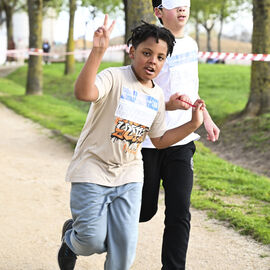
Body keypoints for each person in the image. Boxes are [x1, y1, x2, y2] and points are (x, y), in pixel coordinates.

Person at [57, 14, 206, 270]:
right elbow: (83, 93)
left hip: (129, 175)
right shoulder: (114, 77)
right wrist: (97, 52)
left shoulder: (157, 95)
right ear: (132, 52)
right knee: (93, 240)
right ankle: (72, 240)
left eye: (160, 57)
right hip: (93, 169)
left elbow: (159, 140)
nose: (153, 61)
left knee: (123, 250)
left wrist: (192, 124)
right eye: (147, 53)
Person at [139, 0, 220, 269]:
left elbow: (192, 88)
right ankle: (81, 232)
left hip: (182, 140)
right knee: (143, 210)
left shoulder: (191, 45)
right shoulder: (150, 44)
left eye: (185, 3)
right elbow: (137, 93)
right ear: (159, 11)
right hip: (149, 142)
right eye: (174, 4)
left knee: (179, 212)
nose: (182, 9)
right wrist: (166, 105)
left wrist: (206, 117)